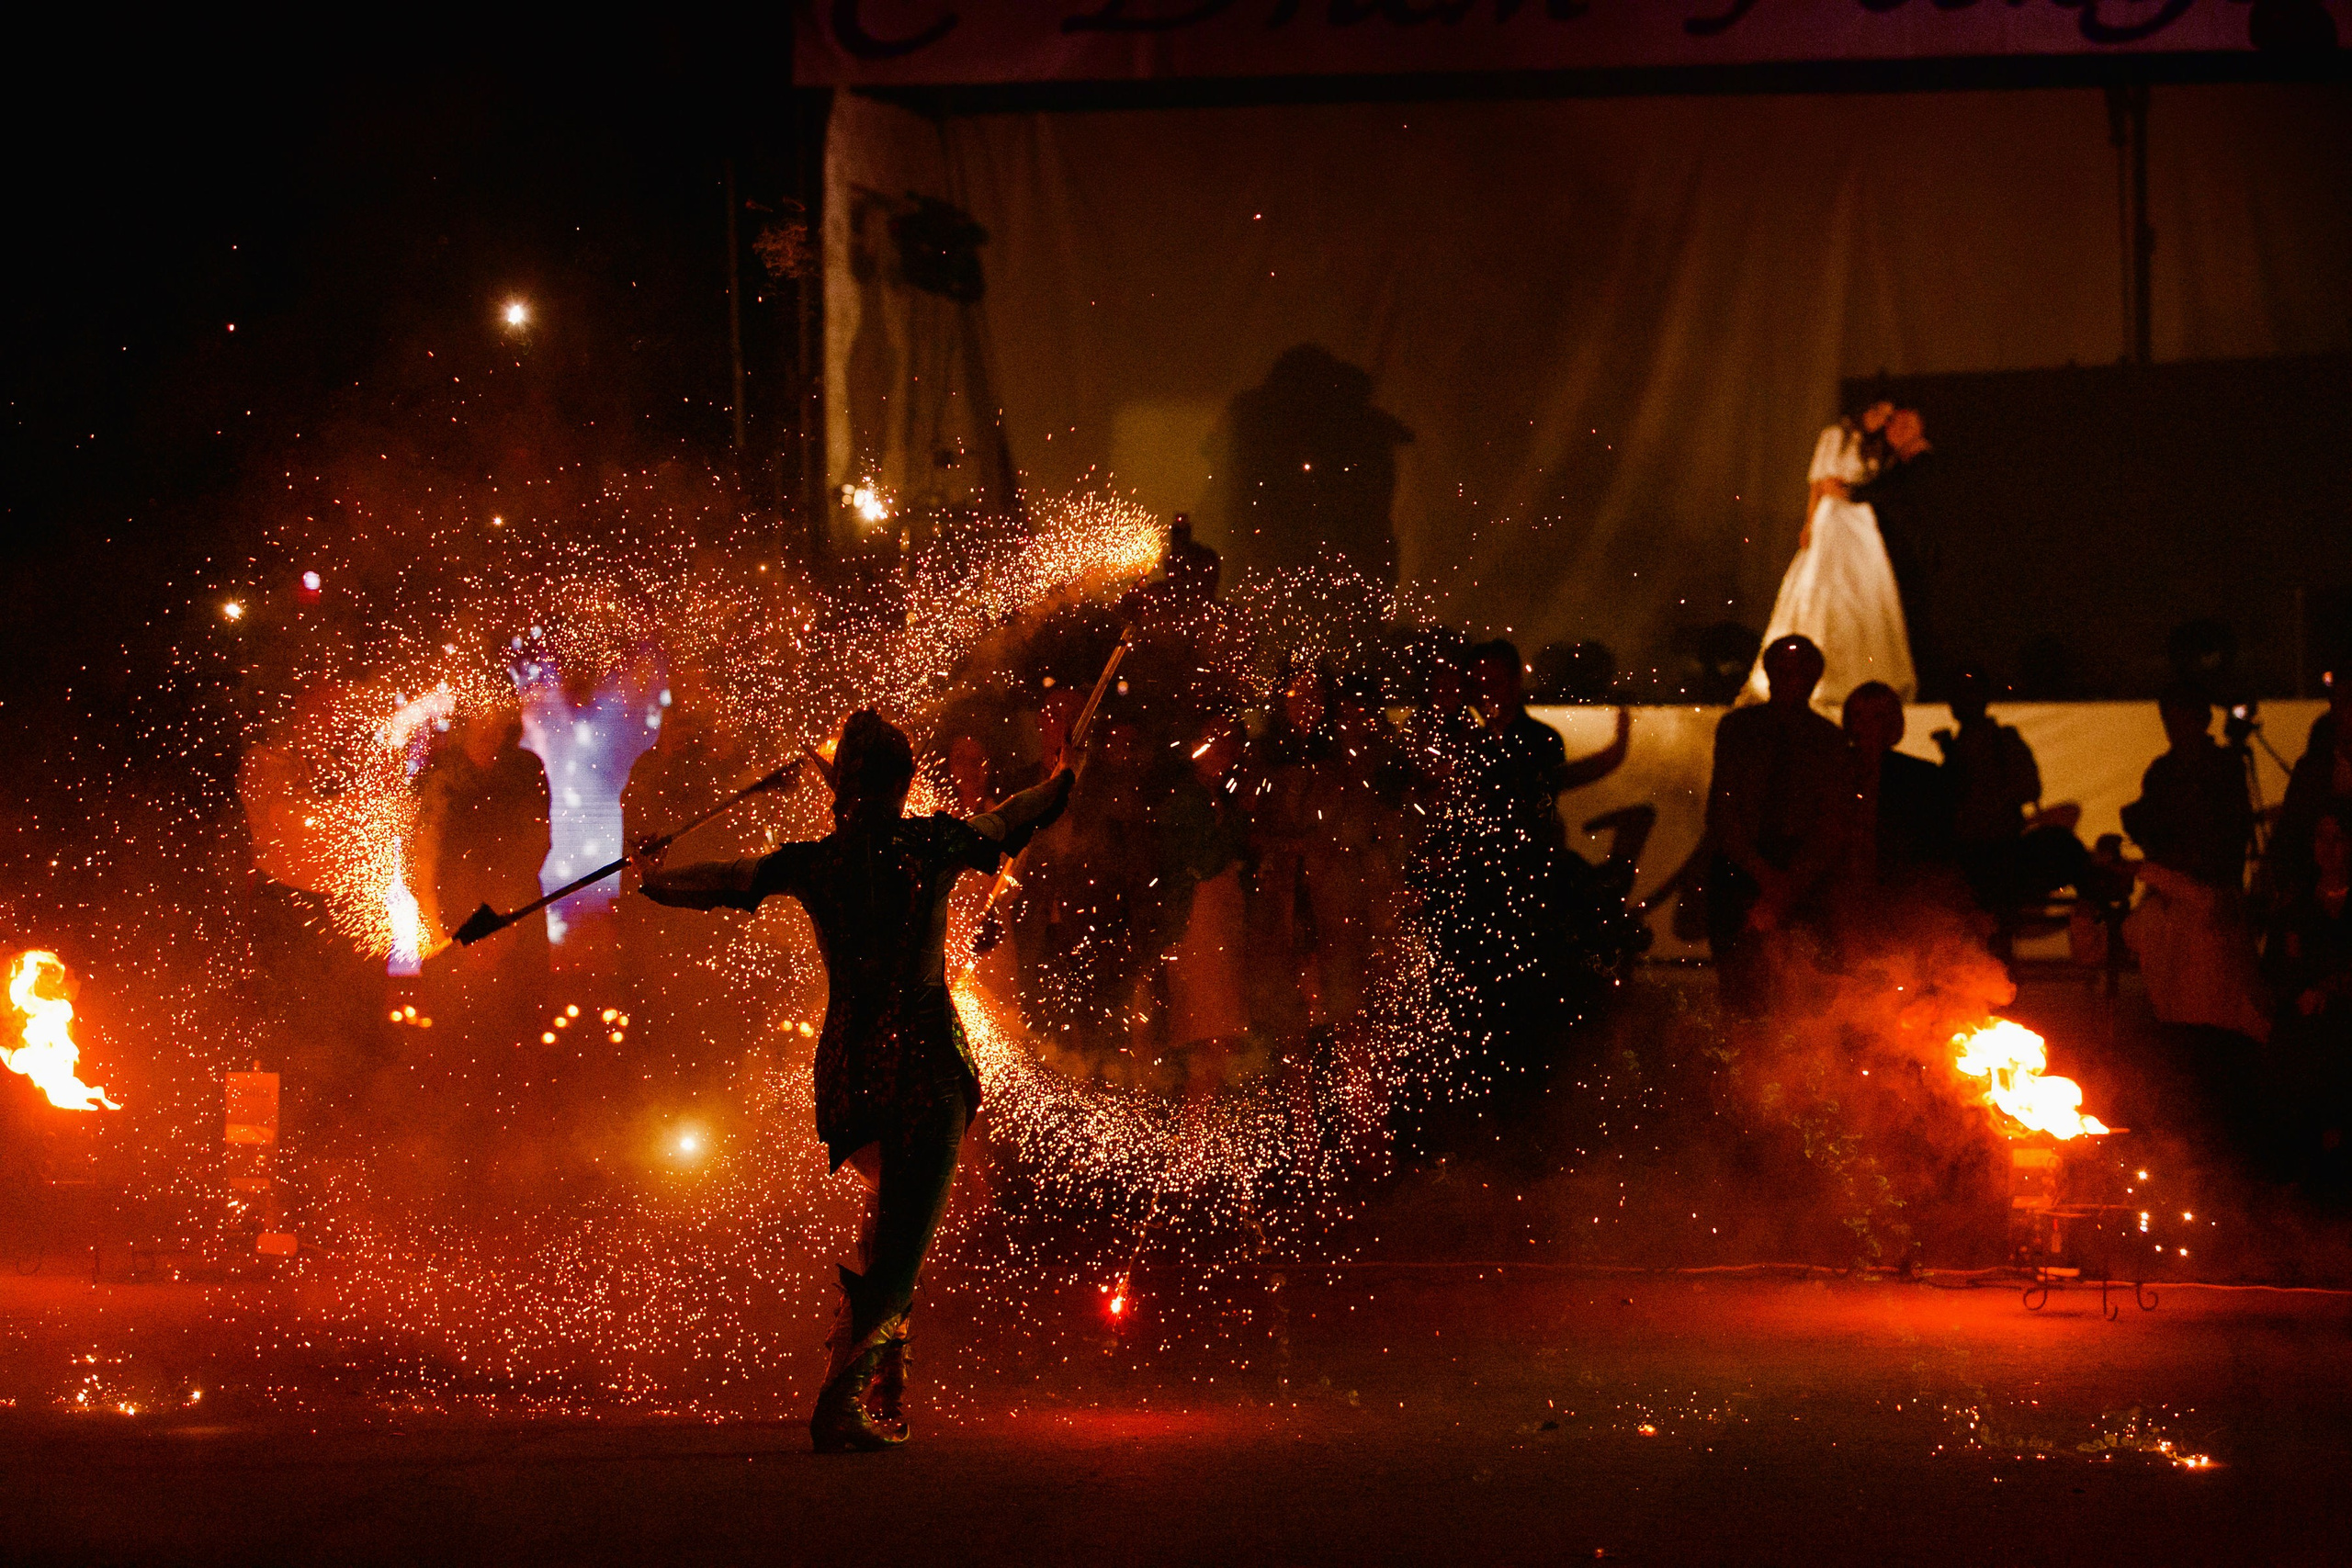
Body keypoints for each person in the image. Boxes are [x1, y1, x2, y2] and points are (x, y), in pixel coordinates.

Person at [635, 710, 1078, 1451]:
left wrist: (651, 878)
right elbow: (1013, 818)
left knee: (885, 1223)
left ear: (843, 788)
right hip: (926, 1065)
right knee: (902, 1246)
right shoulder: (930, 843)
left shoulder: (818, 862)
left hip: (851, 1073)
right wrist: (1063, 774)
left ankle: (883, 1387)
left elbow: (725, 881)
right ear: (901, 784)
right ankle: (844, 1402)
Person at [1741, 400, 1919, 709]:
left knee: (1864, 591)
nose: (1882, 421)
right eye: (1879, 413)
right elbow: (1818, 484)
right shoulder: (1836, 434)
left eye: (1888, 418)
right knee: (1827, 586)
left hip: (1860, 521)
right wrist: (1809, 522)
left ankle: (1865, 676)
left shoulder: (1875, 448)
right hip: (1834, 517)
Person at [1704, 636, 1850, 1011]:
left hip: (1799, 869)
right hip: (1742, 868)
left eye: (1801, 672)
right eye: (1783, 671)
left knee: (1802, 994)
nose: (1791, 679)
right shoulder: (1739, 729)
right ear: (1769, 674)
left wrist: (1790, 882)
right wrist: (1765, 876)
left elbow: (1830, 822)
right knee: (1742, 992)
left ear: (1815, 678)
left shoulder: (1828, 740)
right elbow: (1723, 811)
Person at [2121, 685, 2267, 1043]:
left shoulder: (2224, 767)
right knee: (2167, 989)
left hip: (2208, 897)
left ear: (2201, 719)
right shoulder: (2162, 771)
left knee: (2208, 999)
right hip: (2168, 897)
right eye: (2168, 718)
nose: (2174, 726)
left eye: (2181, 717)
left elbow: (2229, 837)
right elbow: (2150, 827)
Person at [1835, 680, 1955, 927]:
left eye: (1877, 716)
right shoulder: (1832, 772)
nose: (1866, 724)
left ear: (1892, 722)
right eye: (1858, 715)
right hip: (1841, 888)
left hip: (1900, 891)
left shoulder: (1920, 776)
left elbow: (1932, 842)